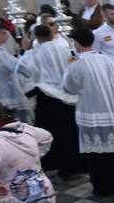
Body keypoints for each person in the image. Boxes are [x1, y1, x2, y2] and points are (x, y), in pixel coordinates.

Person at [62, 28, 114, 196]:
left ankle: (104, 186)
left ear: (77, 44)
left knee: (98, 155)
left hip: (93, 114)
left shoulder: (76, 65)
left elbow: (69, 88)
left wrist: (68, 68)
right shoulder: (106, 59)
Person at [13, 26, 82, 176]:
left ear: (36, 37)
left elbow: (21, 71)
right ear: (52, 35)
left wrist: (31, 90)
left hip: (47, 98)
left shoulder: (32, 54)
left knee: (53, 134)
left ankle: (60, 164)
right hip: (69, 96)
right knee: (71, 130)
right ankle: (78, 163)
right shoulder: (65, 50)